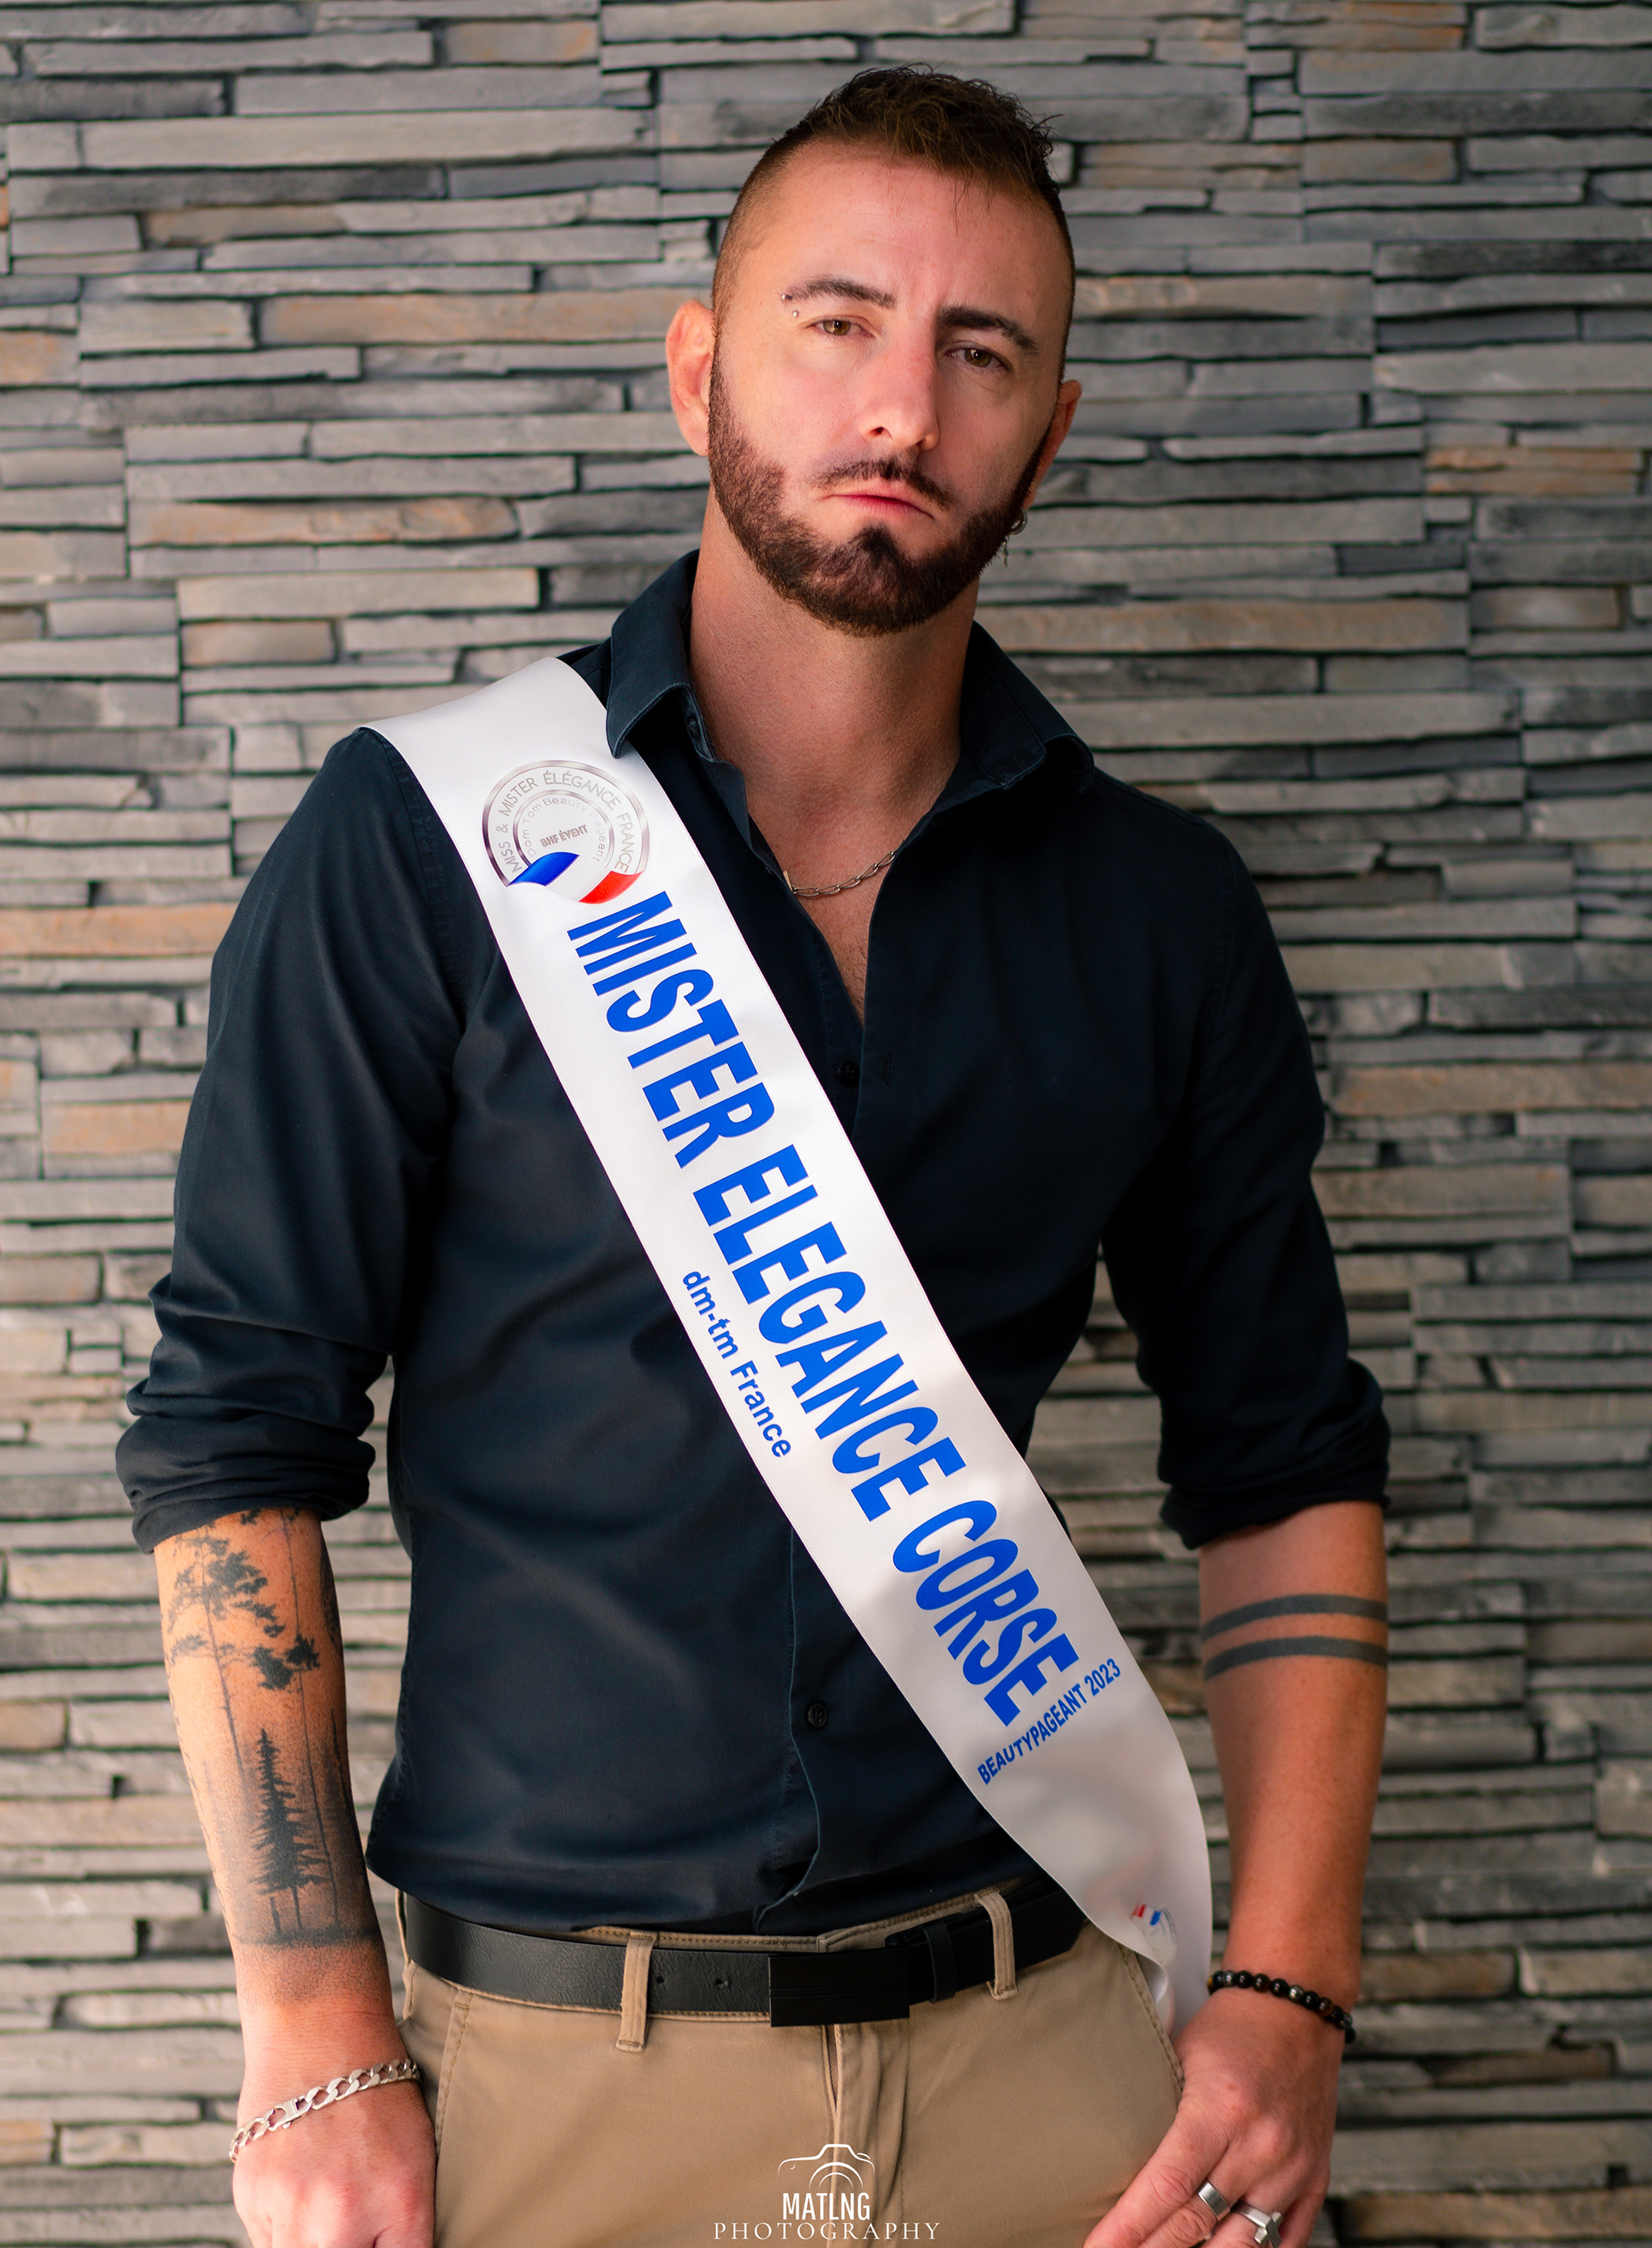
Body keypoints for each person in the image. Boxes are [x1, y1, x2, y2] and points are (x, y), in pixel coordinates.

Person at [120, 66, 1390, 2248]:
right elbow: (238, 1436)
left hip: (1055, 2069)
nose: (903, 404)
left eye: (980, 350)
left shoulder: (1159, 914)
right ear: (698, 362)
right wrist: (314, 2026)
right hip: (540, 2090)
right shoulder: (423, 846)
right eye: (839, 322)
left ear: (1049, 430)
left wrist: (1288, 1991)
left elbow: (1282, 1461)